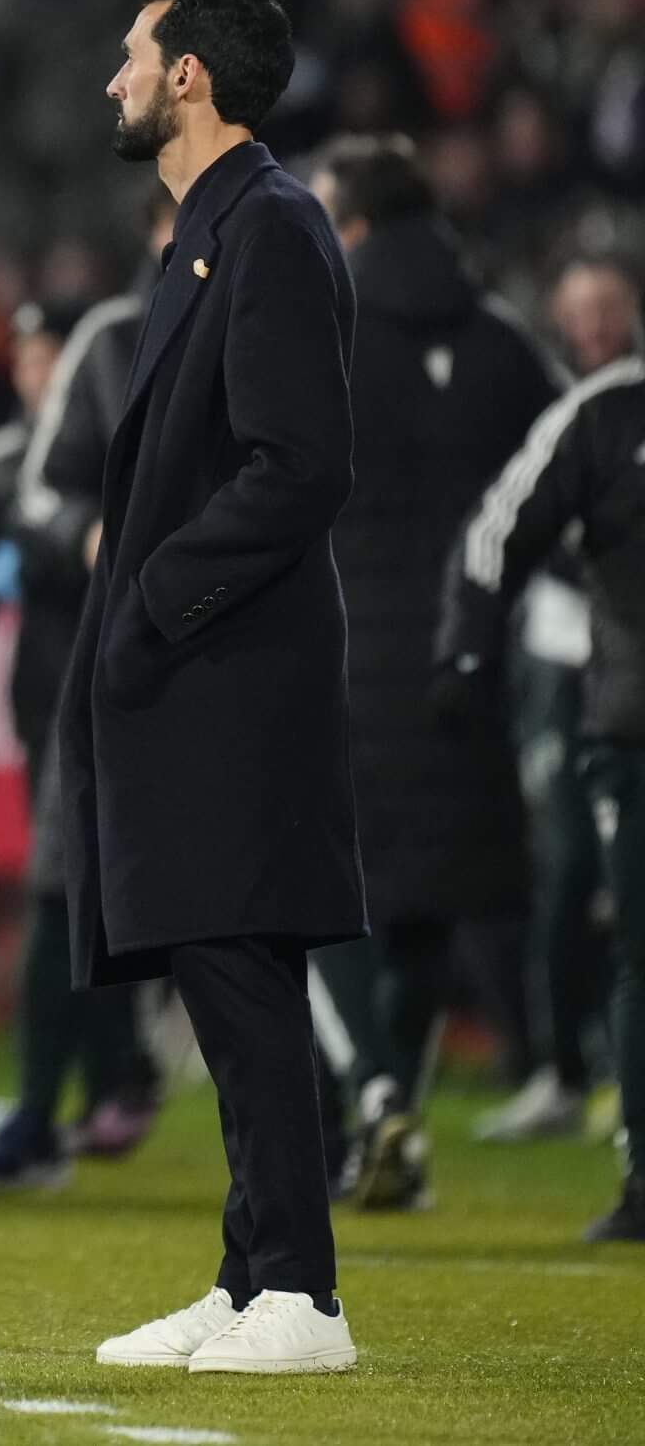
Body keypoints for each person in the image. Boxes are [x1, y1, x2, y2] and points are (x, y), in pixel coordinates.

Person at [69, 0, 363, 1375]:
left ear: (190, 75)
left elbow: (300, 464)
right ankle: (250, 1275)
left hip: (233, 667)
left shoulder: (276, 228)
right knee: (218, 962)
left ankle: (300, 1292)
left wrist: (152, 602)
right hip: (206, 666)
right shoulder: (217, 229)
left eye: (131, 53)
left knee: (241, 962)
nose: (112, 77)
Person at [300, 135, 557, 1212]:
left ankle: (370, 1092)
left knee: (313, 900)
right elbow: (558, 490)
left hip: (343, 655)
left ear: (350, 225)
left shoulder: (324, 329)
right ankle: (388, 1111)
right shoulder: (505, 344)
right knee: (424, 908)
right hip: (471, 670)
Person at [0, 297, 159, 1190]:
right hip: (52, 703)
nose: (38, 377)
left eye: (52, 360)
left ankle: (62, 1105)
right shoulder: (7, 467)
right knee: (72, 897)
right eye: (27, 361)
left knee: (78, 901)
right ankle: (102, 1082)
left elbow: (13, 549)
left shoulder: (115, 456)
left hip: (117, 700)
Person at [436, 250, 645, 1243]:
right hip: (601, 696)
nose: (597, 323)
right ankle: (565, 1072)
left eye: (610, 304)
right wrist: (471, 655)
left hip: (608, 695)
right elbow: (499, 535)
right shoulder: (589, 412)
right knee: (574, 883)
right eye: (582, 308)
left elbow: (496, 537)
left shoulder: (595, 412)